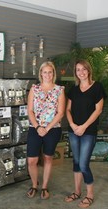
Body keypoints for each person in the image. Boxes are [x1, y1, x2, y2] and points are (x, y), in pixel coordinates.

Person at [64, 59, 106, 208]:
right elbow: (67, 110)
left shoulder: (97, 87)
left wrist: (83, 126)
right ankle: (77, 192)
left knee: (83, 164)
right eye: (78, 70)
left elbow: (98, 110)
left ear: (88, 70)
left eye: (83, 69)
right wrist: (73, 125)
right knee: (76, 162)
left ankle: (89, 195)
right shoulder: (73, 89)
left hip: (88, 131)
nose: (81, 72)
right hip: (74, 130)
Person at [26, 61, 65, 199]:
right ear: (41, 73)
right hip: (35, 129)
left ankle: (44, 186)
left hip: (52, 129)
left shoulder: (59, 90)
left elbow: (60, 113)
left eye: (50, 72)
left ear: (53, 74)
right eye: (45, 72)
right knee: (32, 160)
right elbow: (29, 110)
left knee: (48, 157)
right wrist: (38, 127)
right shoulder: (34, 89)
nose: (47, 75)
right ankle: (34, 185)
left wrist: (47, 128)